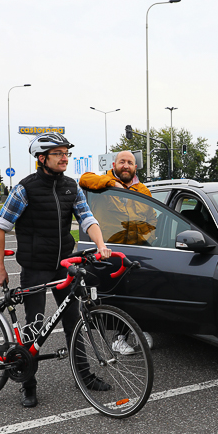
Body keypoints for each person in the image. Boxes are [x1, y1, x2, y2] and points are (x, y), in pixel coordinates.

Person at [0, 132, 113, 408]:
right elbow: (0, 225)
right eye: (58, 153)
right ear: (42, 158)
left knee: (73, 321)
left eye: (66, 153)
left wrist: (101, 243)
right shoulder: (25, 189)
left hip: (62, 265)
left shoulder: (71, 186)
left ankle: (84, 375)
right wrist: (0, 266)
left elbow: (87, 218)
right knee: (34, 327)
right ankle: (27, 384)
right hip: (34, 268)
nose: (64, 158)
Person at [79, 150, 156, 354]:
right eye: (122, 162)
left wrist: (148, 240)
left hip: (137, 250)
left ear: (135, 167)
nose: (126, 166)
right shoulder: (102, 184)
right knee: (116, 296)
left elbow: (152, 219)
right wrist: (110, 184)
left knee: (139, 294)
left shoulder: (142, 190)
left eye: (129, 162)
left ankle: (140, 330)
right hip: (109, 251)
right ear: (114, 165)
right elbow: (84, 178)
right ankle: (118, 338)